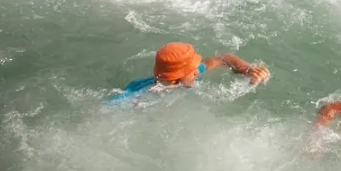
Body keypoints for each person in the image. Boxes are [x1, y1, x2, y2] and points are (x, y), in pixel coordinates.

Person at [110, 42, 270, 100]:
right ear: (176, 76)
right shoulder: (141, 97)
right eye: (191, 69)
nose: (197, 71)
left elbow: (223, 58)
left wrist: (247, 69)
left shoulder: (189, 75)